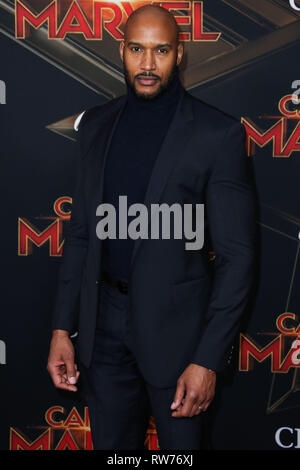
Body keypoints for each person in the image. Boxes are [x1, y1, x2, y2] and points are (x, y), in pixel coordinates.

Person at [47, 4, 256, 450]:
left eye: (160, 50)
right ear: (121, 51)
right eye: (136, 50)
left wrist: (207, 360)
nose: (147, 64)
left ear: (179, 54)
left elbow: (238, 259)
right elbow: (81, 233)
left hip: (181, 340)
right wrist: (63, 328)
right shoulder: (97, 126)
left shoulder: (216, 134)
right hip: (103, 331)